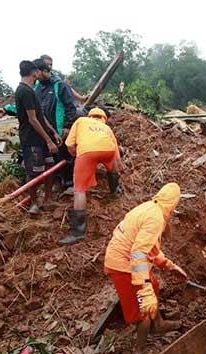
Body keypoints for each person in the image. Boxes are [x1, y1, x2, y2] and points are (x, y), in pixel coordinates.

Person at [103, 183, 188, 354]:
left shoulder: (151, 208)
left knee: (154, 284)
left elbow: (149, 247)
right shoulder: (155, 218)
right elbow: (139, 252)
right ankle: (138, 350)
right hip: (124, 264)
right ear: (173, 204)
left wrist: (168, 265)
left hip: (129, 259)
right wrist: (144, 289)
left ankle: (159, 324)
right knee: (144, 307)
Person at [59, 107, 123, 245]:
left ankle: (78, 232)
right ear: (103, 118)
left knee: (79, 190)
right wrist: (116, 166)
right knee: (111, 165)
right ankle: (115, 191)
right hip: (108, 151)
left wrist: (79, 156)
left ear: (90, 116)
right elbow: (116, 154)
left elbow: (69, 145)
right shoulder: (106, 128)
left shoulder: (81, 121)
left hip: (87, 152)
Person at [14, 60, 61, 214]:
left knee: (49, 168)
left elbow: (40, 115)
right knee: (34, 171)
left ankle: (47, 200)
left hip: (42, 138)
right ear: (33, 72)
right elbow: (32, 119)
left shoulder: (32, 90)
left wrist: (52, 131)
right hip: (32, 139)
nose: (39, 73)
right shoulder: (24, 91)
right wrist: (49, 141)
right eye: (37, 71)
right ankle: (34, 203)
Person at [33, 58, 78, 192]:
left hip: (59, 129)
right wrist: (7, 109)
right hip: (45, 131)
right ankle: (57, 184)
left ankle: (69, 184)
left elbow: (71, 108)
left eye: (37, 72)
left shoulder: (60, 86)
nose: (35, 75)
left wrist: (67, 127)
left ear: (44, 71)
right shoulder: (37, 88)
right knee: (51, 159)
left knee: (66, 156)